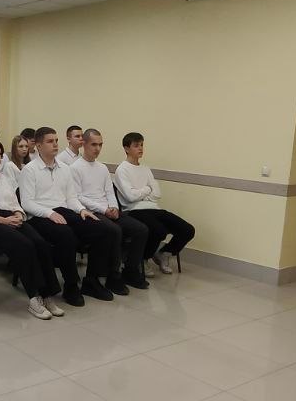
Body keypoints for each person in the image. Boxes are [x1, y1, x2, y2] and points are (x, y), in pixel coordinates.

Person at [0, 137, 64, 321]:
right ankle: (34, 297)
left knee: (40, 243)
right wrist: (3, 221)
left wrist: (18, 214)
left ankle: (47, 294)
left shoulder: (3, 178)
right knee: (24, 245)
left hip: (10, 217)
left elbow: (15, 203)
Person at [18, 126, 118, 306]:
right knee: (67, 236)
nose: (55, 144)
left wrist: (81, 210)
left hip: (63, 211)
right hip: (39, 215)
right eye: (50, 141)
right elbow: (27, 203)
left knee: (104, 229)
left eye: (56, 141)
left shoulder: (65, 168)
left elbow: (71, 198)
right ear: (39, 146)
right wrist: (50, 213)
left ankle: (91, 281)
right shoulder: (30, 170)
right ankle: (71, 285)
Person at [69, 129, 146, 291]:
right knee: (114, 231)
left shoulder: (102, 168)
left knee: (141, 230)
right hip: (90, 211)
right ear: (84, 144)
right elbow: (78, 197)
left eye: (100, 145)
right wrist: (104, 210)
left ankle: (130, 271)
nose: (97, 148)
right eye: (94, 144)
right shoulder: (75, 168)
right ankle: (112, 276)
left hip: (108, 209)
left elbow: (110, 192)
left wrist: (114, 208)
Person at [115, 132, 195, 275]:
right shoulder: (122, 169)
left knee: (188, 229)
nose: (140, 148)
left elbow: (157, 194)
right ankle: (143, 259)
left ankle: (164, 253)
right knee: (159, 230)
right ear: (126, 148)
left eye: (142, 145)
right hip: (134, 210)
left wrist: (141, 193)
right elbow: (130, 197)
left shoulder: (145, 169)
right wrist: (147, 189)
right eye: (136, 145)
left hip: (153, 208)